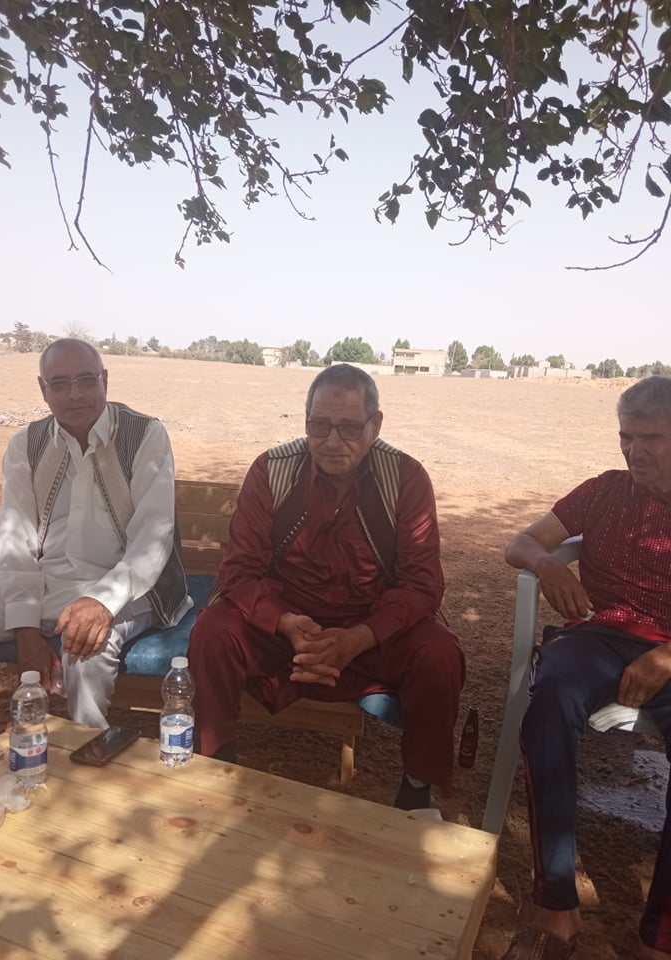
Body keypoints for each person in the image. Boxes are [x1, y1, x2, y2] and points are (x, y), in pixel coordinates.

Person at [188, 363, 464, 809]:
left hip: (370, 630)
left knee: (438, 653)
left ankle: (416, 792)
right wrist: (286, 623)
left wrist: (357, 638)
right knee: (213, 632)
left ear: (375, 425)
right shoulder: (272, 470)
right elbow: (239, 570)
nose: (333, 442)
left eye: (349, 427)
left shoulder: (405, 478)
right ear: (306, 422)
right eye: (320, 425)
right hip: (285, 629)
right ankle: (217, 762)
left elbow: (422, 585)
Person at [502, 375, 671, 960]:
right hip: (601, 636)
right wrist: (548, 565)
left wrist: (667, 655)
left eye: (651, 438)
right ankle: (556, 903)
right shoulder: (603, 491)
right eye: (626, 437)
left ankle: (660, 936)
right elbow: (522, 542)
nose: (633, 451)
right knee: (549, 699)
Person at [0, 338, 190, 741]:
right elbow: (14, 540)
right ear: (43, 389)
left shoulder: (144, 435)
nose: (75, 394)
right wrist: (25, 626)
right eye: (60, 384)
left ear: (105, 380)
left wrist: (102, 602)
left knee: (85, 649)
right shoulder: (26, 444)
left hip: (124, 586)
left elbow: (153, 538)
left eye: (86, 380)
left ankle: (85, 750)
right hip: (44, 582)